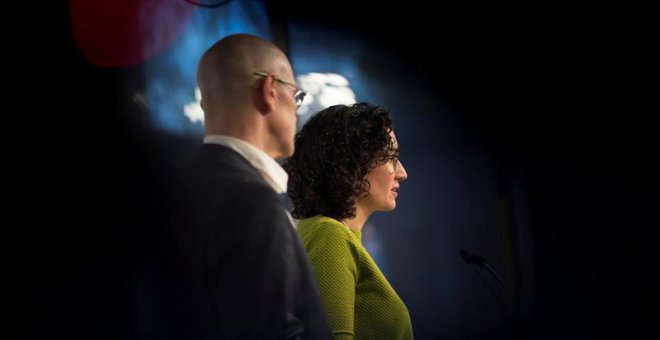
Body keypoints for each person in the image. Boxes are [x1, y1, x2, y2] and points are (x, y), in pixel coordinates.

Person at [136, 33, 331, 339]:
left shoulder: (174, 194)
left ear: (204, 103)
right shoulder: (253, 204)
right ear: (269, 90)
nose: (296, 110)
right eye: (296, 95)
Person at [283, 103, 413, 340]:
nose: (402, 173)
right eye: (391, 158)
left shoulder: (329, 233)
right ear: (353, 163)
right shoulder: (329, 235)